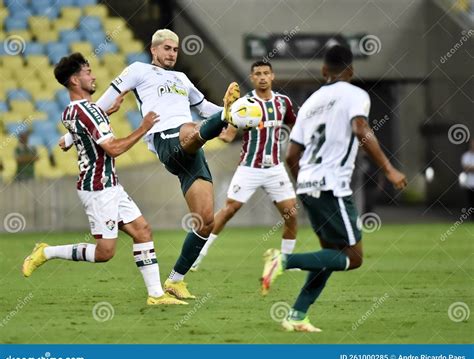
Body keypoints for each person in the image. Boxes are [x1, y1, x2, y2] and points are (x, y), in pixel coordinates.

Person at [261, 45, 407, 332]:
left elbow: (291, 155)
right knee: (353, 258)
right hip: (332, 187)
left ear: (323, 71)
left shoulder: (311, 103)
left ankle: (297, 315)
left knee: (330, 256)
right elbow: (360, 129)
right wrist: (388, 169)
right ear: (350, 71)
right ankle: (283, 260)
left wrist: (305, 182)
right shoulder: (356, 95)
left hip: (307, 185)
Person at [22, 53, 186, 306]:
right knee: (104, 253)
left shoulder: (71, 111)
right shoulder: (90, 112)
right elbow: (114, 149)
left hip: (109, 184)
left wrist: (102, 113)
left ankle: (156, 296)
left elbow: (83, 126)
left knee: (142, 231)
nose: (94, 75)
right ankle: (46, 252)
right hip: (98, 188)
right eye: (88, 72)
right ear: (76, 80)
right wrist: (143, 127)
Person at [94, 29, 240, 299]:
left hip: (191, 151)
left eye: (175, 49)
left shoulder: (182, 79)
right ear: (154, 49)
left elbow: (205, 107)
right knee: (193, 129)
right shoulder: (139, 70)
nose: (172, 54)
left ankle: (175, 280)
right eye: (167, 49)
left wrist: (233, 112)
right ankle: (226, 118)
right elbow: (102, 102)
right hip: (167, 139)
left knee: (206, 221)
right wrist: (72, 133)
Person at [190, 61, 298, 271]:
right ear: (252, 78)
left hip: (275, 168)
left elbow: (295, 125)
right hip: (249, 167)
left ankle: (286, 261)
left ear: (273, 76)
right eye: (258, 74)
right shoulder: (244, 104)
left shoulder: (283, 102)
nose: (263, 77)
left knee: (291, 214)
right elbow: (229, 136)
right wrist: (218, 132)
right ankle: (198, 254)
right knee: (229, 210)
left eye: (266, 73)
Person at [461, 139, 474, 216]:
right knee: (471, 201)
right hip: (470, 183)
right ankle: (472, 217)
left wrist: (470, 167)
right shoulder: (466, 156)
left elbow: (468, 168)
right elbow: (465, 168)